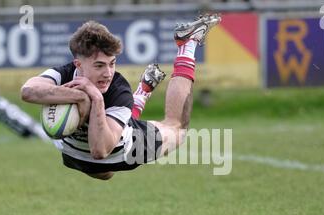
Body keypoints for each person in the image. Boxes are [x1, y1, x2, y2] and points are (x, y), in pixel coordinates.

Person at [21, 14, 221, 180]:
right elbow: (28, 91)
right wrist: (78, 96)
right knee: (104, 174)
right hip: (75, 153)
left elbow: (101, 151)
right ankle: (143, 91)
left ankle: (187, 44)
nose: (108, 73)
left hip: (120, 152)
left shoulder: (119, 90)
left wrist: (96, 99)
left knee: (177, 128)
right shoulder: (63, 73)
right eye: (99, 65)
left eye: (112, 63)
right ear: (78, 65)